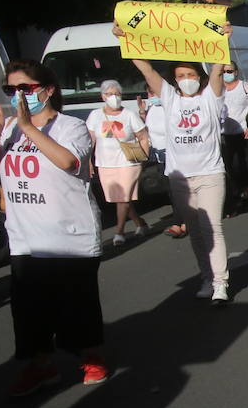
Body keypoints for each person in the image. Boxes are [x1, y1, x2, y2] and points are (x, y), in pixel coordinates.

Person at [0, 60, 109, 394]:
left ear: (47, 90)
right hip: (26, 240)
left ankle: (90, 356)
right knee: (29, 313)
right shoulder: (9, 129)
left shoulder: (70, 127)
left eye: (26, 88)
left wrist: (30, 128)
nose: (18, 95)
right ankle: (41, 367)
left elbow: (69, 162)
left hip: (69, 238)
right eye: (11, 89)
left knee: (76, 307)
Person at [115, 25, 232, 303]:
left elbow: (217, 70)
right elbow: (148, 72)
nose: (186, 79)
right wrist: (127, 41)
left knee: (211, 227)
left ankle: (220, 283)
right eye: (181, 76)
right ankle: (206, 276)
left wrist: (223, 38)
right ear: (175, 80)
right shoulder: (169, 97)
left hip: (210, 174)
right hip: (180, 177)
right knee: (195, 230)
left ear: (198, 78)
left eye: (191, 75)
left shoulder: (210, 100)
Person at [85, 79, 150, 246]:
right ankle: (140, 223)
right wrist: (88, 162)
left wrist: (143, 157)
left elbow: (143, 136)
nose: (114, 97)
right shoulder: (95, 115)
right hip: (106, 164)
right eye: (109, 94)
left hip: (128, 163)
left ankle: (119, 232)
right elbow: (90, 140)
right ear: (102, 96)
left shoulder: (129, 115)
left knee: (122, 198)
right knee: (121, 199)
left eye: (117, 94)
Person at [139, 84, 185, 239]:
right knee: (171, 192)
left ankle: (181, 223)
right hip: (159, 156)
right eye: (148, 92)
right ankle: (183, 220)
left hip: (173, 155)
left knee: (177, 190)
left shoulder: (172, 108)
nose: (150, 95)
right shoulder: (152, 109)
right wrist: (142, 113)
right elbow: (150, 130)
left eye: (152, 92)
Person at [220, 62, 248, 214]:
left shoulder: (244, 87)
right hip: (226, 133)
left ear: (236, 72)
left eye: (229, 71)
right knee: (230, 166)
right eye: (224, 71)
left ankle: (246, 194)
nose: (227, 73)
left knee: (243, 164)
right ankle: (236, 194)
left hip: (243, 131)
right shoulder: (219, 90)